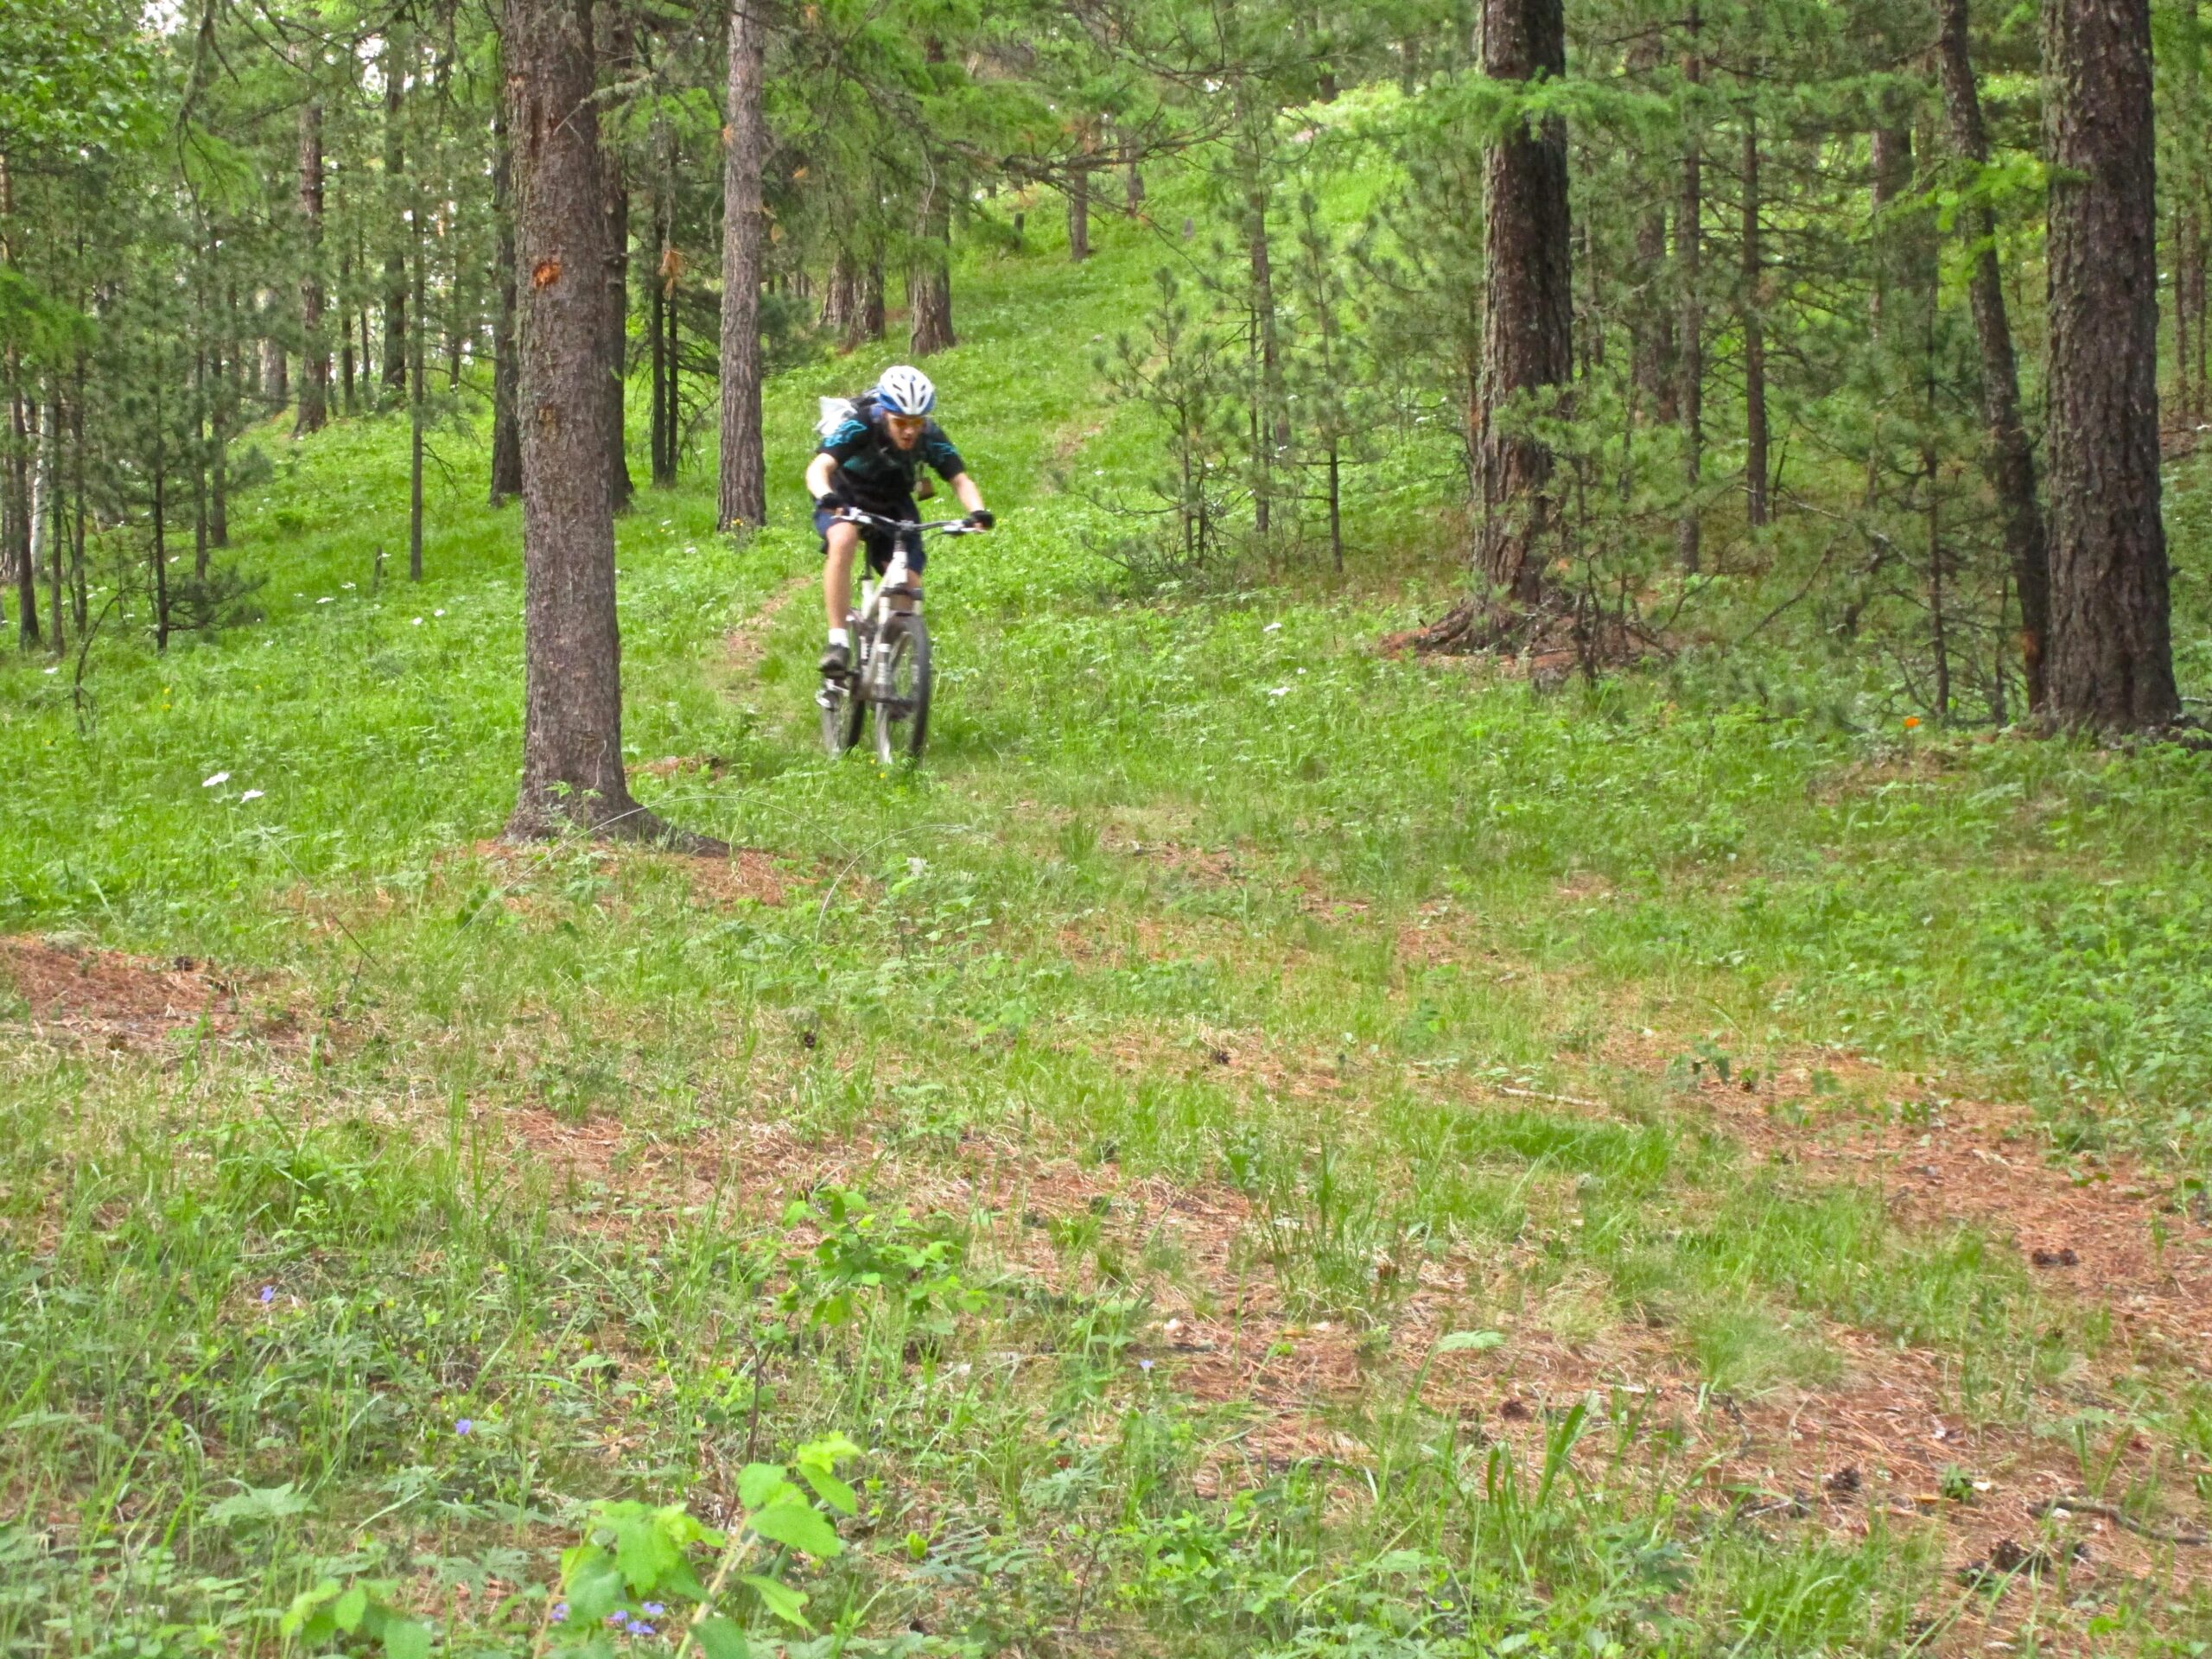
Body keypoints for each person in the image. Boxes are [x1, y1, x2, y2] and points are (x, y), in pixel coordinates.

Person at [806, 365, 993, 678]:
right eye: (901, 423)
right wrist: (827, 497)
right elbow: (819, 468)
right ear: (885, 413)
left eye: (916, 423)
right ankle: (837, 642)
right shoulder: (861, 425)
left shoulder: (930, 437)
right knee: (845, 539)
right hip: (844, 494)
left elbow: (960, 480)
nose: (909, 431)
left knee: (908, 585)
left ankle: (884, 676)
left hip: (893, 502)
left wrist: (977, 512)